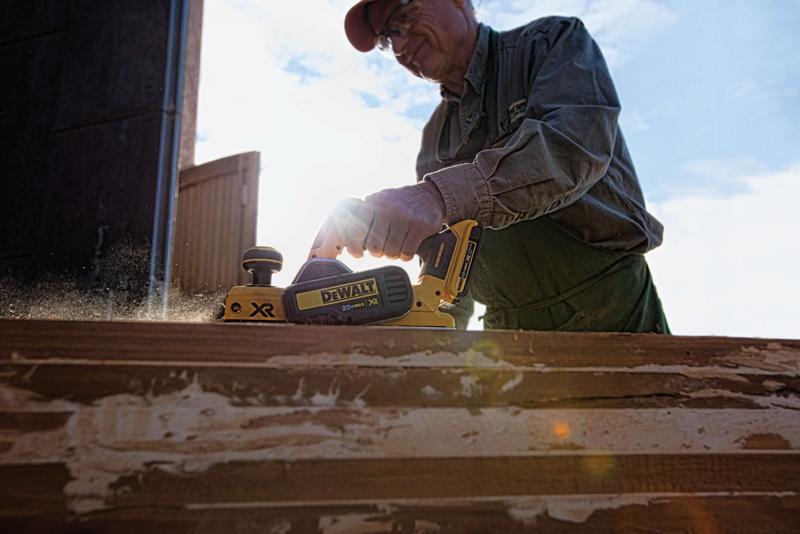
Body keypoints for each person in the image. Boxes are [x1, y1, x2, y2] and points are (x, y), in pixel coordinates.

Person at [311, 0, 670, 333]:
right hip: (505, 331)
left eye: (405, 15)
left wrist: (437, 197)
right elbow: (449, 269)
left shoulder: (550, 44)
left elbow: (571, 149)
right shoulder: (435, 141)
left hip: (611, 309)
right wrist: (433, 340)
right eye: (388, 38)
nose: (401, 47)